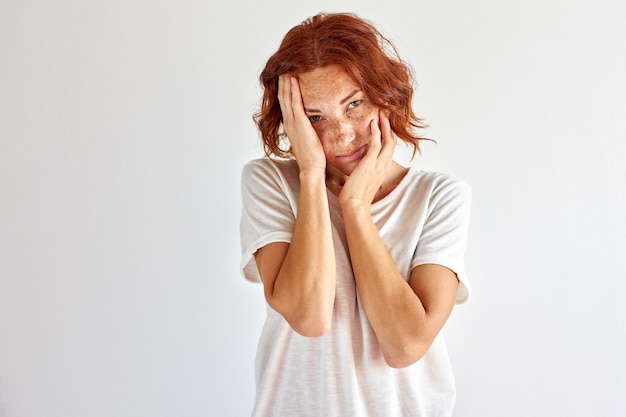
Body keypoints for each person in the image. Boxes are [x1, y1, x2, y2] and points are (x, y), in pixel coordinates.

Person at [239, 12, 472, 417]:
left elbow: (405, 345)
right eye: (315, 118)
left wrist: (354, 207)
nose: (342, 135)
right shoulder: (270, 183)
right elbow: (309, 317)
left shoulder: (439, 197)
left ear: (384, 93)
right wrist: (311, 175)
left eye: (354, 104)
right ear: (291, 120)